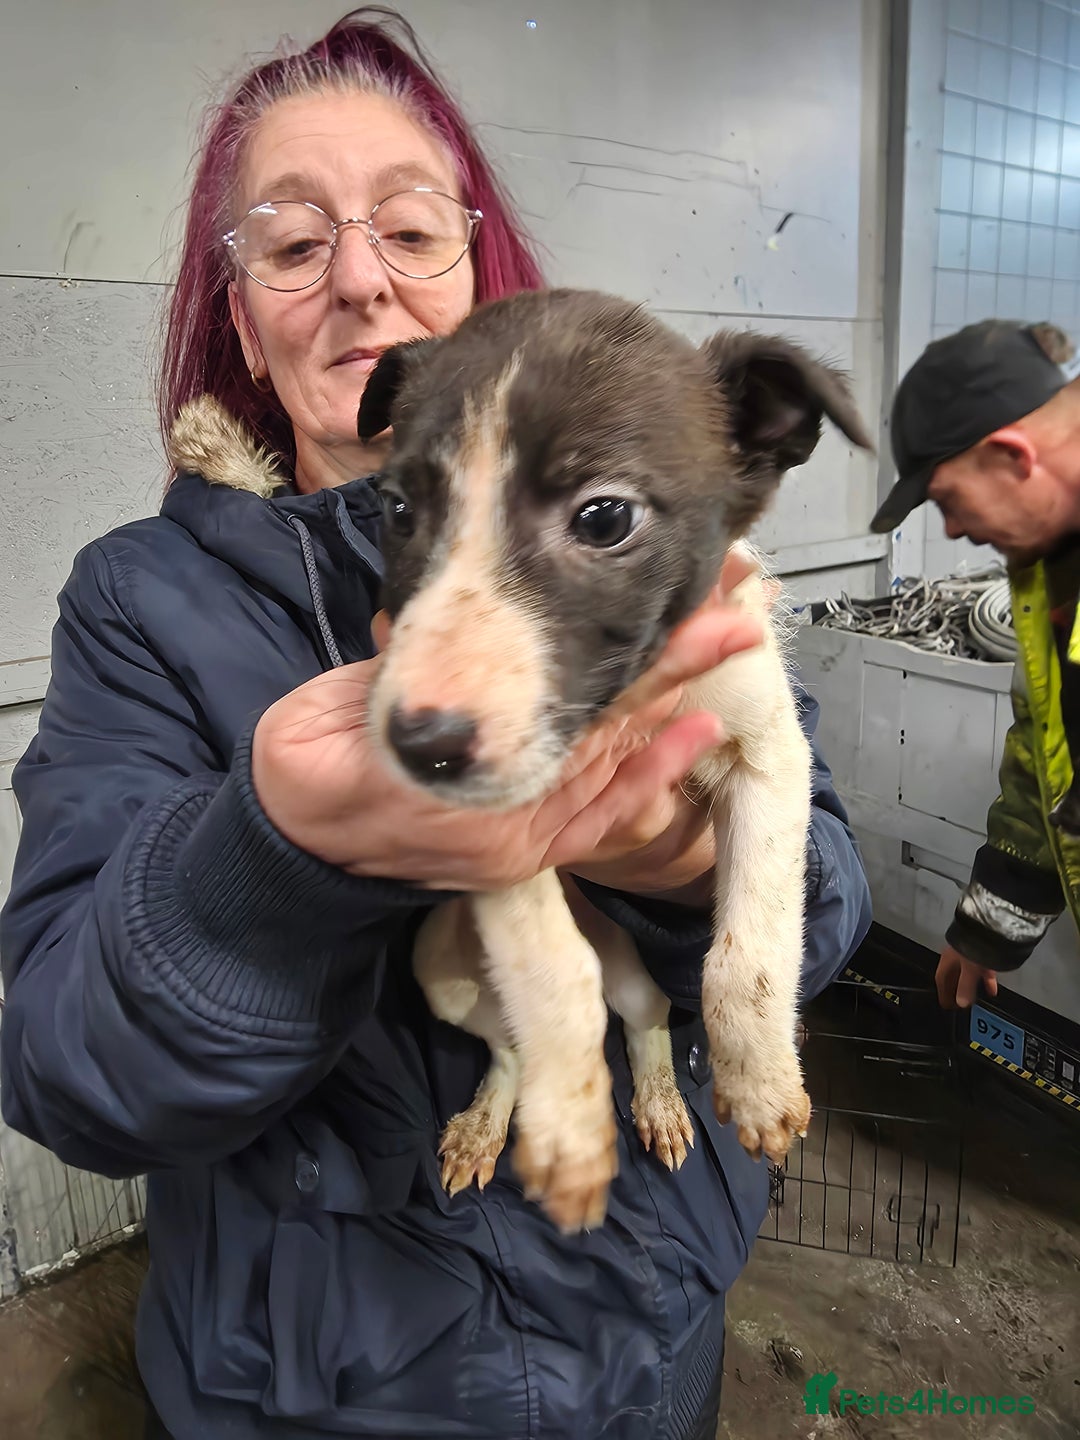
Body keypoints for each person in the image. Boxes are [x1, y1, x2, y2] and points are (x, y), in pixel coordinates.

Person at [0, 11, 872, 1438]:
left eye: (411, 230)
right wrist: (265, 861)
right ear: (236, 311)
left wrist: (682, 868)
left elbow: (822, 888)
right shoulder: (136, 603)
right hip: (304, 1390)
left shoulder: (687, 561)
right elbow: (62, 1071)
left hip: (649, 1344)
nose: (357, 277)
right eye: (291, 244)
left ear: (477, 275)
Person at [872, 317, 1079, 1013]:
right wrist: (988, 929)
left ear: (1013, 456)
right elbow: (1045, 766)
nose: (954, 531)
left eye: (946, 500)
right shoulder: (1049, 575)